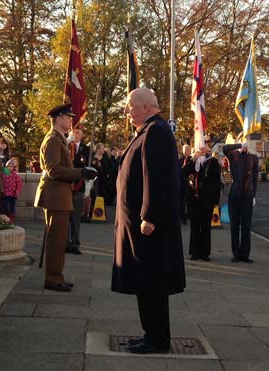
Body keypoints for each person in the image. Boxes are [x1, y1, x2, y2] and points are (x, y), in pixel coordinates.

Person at [111, 87, 185, 354]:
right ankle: (149, 333)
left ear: (144, 107)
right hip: (141, 225)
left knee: (153, 282)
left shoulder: (156, 132)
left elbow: (157, 178)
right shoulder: (148, 131)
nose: (126, 111)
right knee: (144, 281)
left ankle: (157, 339)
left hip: (149, 226)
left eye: (129, 105)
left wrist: (149, 216)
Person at [34, 103, 96, 292]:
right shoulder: (53, 140)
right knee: (56, 239)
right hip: (55, 195)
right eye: (68, 118)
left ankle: (56, 276)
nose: (71, 120)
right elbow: (54, 170)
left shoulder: (58, 140)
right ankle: (53, 279)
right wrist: (81, 172)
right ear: (59, 119)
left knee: (60, 238)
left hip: (59, 195)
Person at [223, 132, 258, 263]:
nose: (245, 145)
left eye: (246, 142)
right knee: (234, 225)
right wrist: (238, 145)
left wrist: (254, 195)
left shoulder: (253, 157)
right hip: (235, 195)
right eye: (243, 142)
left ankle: (245, 254)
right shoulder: (234, 155)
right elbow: (225, 149)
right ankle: (236, 253)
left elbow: (254, 179)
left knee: (246, 226)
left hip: (247, 195)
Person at [183, 146, 221, 261]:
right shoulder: (190, 160)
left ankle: (205, 253)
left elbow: (216, 181)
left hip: (207, 200)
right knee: (194, 225)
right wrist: (194, 159)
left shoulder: (212, 161)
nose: (203, 150)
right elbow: (183, 173)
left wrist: (215, 200)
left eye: (205, 147)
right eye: (200, 147)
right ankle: (194, 252)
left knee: (205, 226)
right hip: (194, 199)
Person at [66, 127, 90, 254]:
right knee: (65, 218)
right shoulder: (66, 145)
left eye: (78, 133)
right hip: (66, 186)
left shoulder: (86, 149)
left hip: (79, 186)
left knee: (75, 218)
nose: (75, 134)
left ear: (82, 135)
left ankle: (75, 244)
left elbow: (87, 167)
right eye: (73, 132)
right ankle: (64, 243)